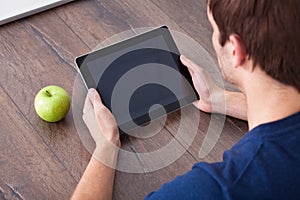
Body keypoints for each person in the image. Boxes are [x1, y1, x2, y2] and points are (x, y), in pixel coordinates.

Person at [71, 0, 300, 199]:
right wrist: (219, 99)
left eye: (213, 28)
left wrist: (106, 145)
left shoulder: (220, 189)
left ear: (235, 50)